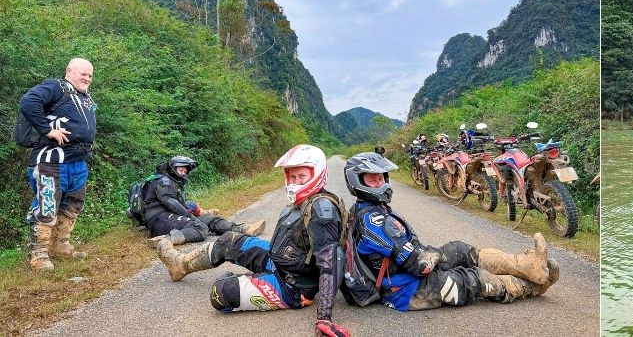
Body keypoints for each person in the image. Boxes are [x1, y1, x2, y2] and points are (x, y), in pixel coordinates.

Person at [156, 144, 352, 337]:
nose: (296, 182)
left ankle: (246, 280)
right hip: (279, 261)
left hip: (293, 287)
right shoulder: (306, 201)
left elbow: (331, 262)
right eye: (292, 176)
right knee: (227, 240)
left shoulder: (322, 210)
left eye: (302, 176)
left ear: (317, 174)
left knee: (220, 293)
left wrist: (324, 317)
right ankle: (180, 265)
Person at [340, 152, 558, 310]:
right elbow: (420, 266)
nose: (380, 183)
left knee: (460, 250)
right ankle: (529, 287)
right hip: (406, 289)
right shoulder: (373, 220)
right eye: (372, 179)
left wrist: (435, 254)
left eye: (381, 177)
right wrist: (433, 255)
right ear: (357, 182)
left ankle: (528, 266)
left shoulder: (367, 209)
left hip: (403, 272)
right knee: (471, 279)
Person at [18, 58, 97, 271]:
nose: (87, 78)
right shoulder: (57, 86)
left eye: (90, 75)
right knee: (47, 205)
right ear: (69, 71)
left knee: (72, 204)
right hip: (51, 160)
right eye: (83, 73)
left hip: (77, 161)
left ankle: (60, 245)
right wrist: (48, 130)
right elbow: (28, 102)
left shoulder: (83, 96)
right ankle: (39, 254)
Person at [142, 156, 265, 246]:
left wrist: (191, 214)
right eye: (180, 170)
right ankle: (166, 240)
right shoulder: (164, 181)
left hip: (168, 216)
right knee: (200, 228)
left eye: (185, 172)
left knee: (209, 218)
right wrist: (189, 215)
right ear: (172, 169)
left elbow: (177, 205)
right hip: (158, 219)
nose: (183, 174)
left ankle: (242, 228)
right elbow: (170, 202)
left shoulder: (168, 182)